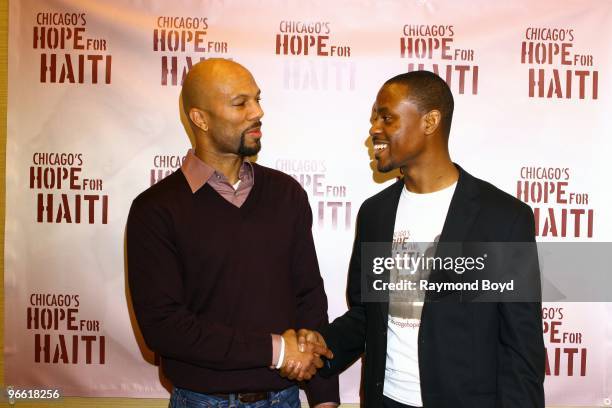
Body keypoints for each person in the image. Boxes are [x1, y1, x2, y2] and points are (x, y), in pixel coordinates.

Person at [292, 71, 545, 407]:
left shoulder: (504, 219)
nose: (374, 130)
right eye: (375, 119)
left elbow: (521, 348)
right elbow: (368, 315)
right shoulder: (375, 215)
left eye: (387, 117)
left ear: (430, 121)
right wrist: (322, 344)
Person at [126, 59, 339, 408]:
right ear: (200, 118)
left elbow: (309, 298)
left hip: (284, 400)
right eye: (241, 103)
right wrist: (276, 349)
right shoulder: (155, 210)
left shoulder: (287, 194)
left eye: (257, 99)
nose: (258, 112)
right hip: (200, 401)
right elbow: (163, 327)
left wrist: (324, 397)